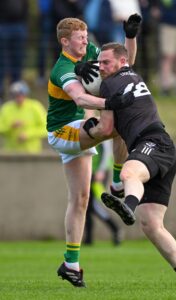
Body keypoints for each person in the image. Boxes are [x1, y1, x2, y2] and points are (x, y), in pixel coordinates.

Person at [84, 42, 176, 290]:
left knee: (129, 172)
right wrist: (130, 37)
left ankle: (127, 204)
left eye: (106, 62)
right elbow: (115, 130)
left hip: (152, 143)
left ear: (121, 62)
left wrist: (87, 130)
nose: (101, 67)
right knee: (151, 224)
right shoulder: (131, 74)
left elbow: (105, 129)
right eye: (100, 62)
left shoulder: (110, 84)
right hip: (163, 148)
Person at [46, 15, 142, 287]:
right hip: (61, 131)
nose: (86, 40)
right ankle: (116, 182)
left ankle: (70, 264)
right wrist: (111, 100)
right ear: (65, 42)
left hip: (79, 125)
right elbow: (80, 97)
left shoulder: (90, 52)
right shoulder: (62, 67)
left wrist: (130, 38)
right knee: (113, 125)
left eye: (86, 34)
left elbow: (125, 65)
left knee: (81, 199)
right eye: (80, 36)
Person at [84, 141, 122, 246]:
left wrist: (101, 170)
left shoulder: (103, 127)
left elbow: (107, 151)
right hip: (91, 172)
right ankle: (88, 239)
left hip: (99, 173)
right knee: (87, 206)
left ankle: (115, 229)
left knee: (93, 205)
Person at [0, 81, 47, 153]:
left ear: (26, 94)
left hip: (32, 152)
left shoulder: (35, 106)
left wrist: (28, 134)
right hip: (11, 152)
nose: (18, 97)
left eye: (21, 94)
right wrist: (11, 126)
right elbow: (1, 128)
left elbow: (46, 128)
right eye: (15, 95)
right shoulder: (6, 108)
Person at [0, 0, 29, 102]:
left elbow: (26, 6)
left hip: (19, 25)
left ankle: (16, 93)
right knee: (2, 61)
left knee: (18, 60)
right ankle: (1, 93)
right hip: (3, 25)